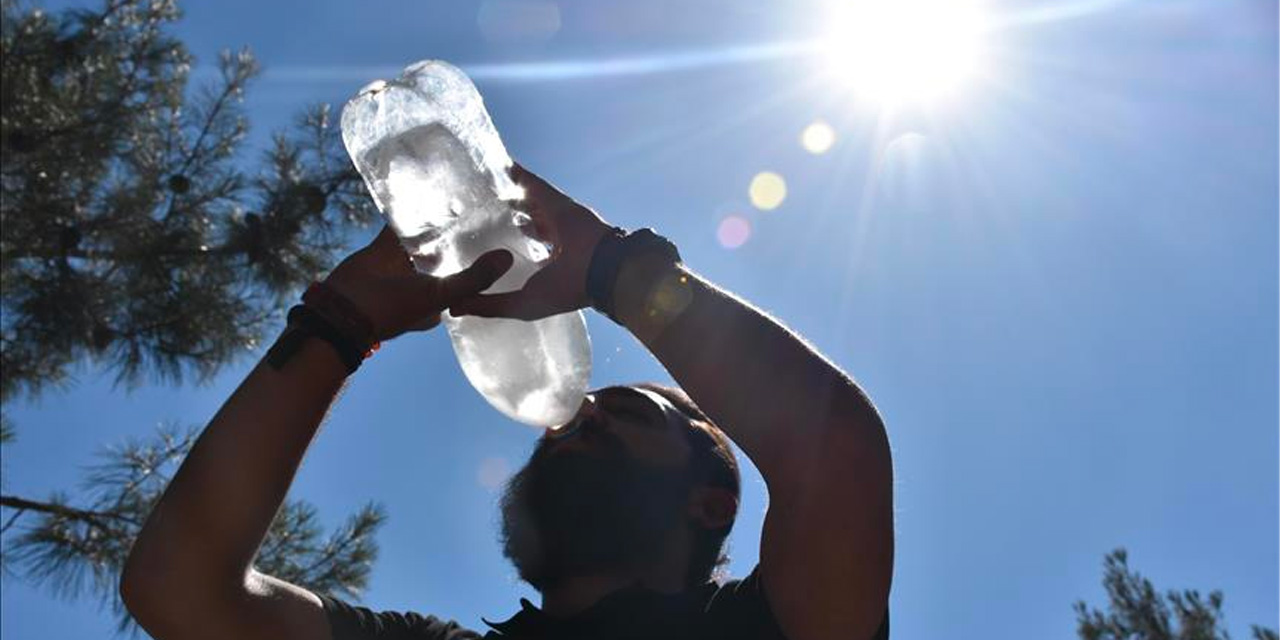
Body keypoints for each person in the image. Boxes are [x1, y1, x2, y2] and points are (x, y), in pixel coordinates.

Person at [119, 164, 894, 640]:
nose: (576, 415)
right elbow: (181, 591)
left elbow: (838, 457)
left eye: (623, 415)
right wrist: (341, 315)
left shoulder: (768, 630)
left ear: (712, 505)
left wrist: (612, 269)